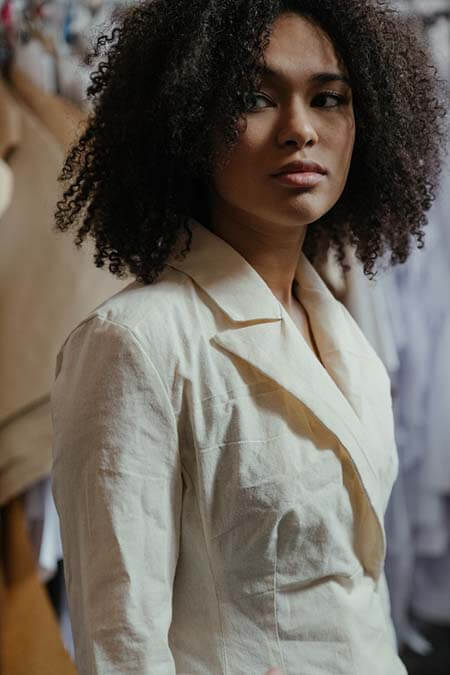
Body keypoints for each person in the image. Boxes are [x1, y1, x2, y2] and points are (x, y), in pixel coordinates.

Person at [50, 1, 449, 673]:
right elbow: (122, 647)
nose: (300, 130)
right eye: (253, 98)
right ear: (187, 117)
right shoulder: (136, 344)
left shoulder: (343, 336)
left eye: (328, 98)